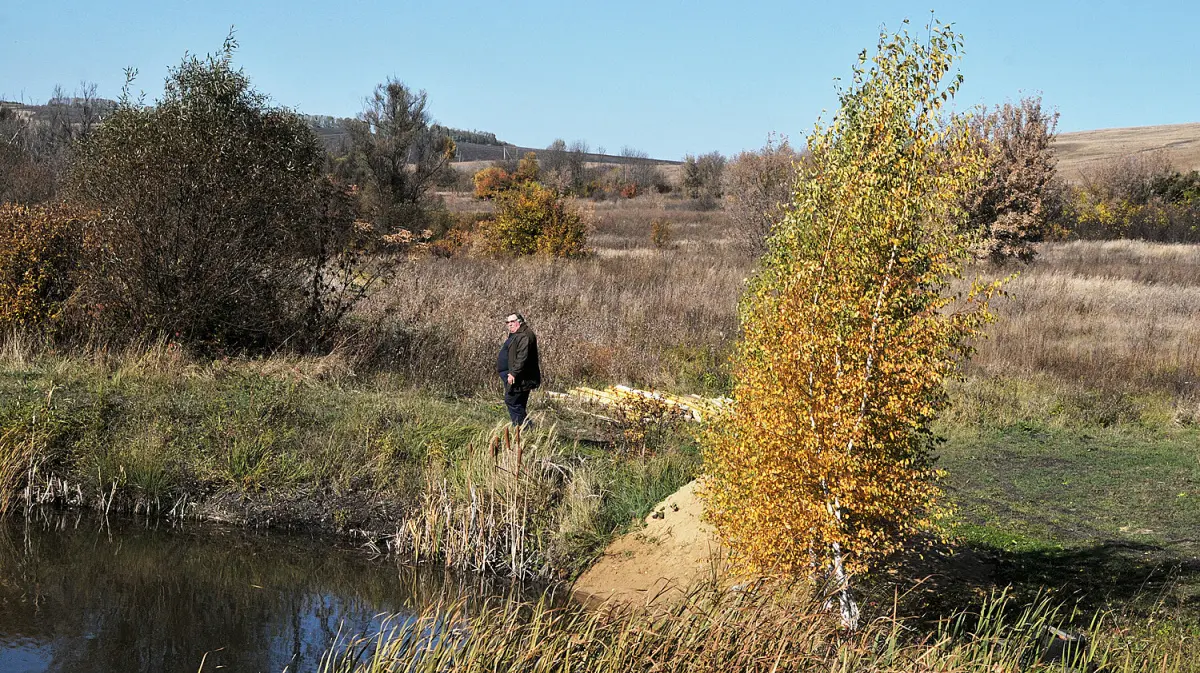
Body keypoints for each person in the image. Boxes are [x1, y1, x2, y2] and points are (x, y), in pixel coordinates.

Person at [496, 313, 541, 426]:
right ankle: (522, 429)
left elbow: (522, 357)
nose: (509, 324)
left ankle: (524, 428)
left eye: (512, 321)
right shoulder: (517, 334)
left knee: (512, 401)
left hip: (520, 378)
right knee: (518, 404)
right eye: (508, 322)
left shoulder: (524, 335)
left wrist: (513, 373)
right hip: (517, 376)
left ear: (519, 321)